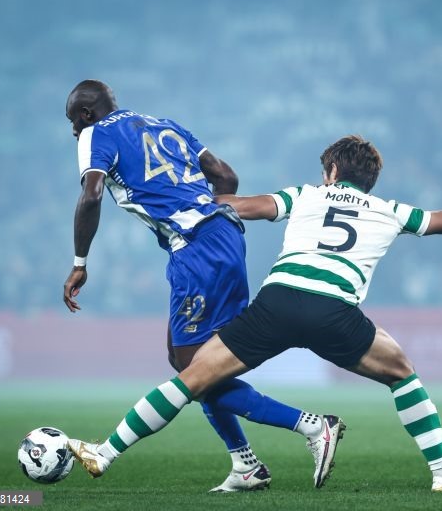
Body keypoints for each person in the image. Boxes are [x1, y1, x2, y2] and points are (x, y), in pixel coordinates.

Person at [67, 135, 442, 492]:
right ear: (371, 180)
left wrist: (180, 198)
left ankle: (105, 452)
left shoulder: (304, 195)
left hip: (278, 304)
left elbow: (237, 205)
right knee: (402, 373)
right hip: (335, 311)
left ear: (330, 173)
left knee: (191, 378)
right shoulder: (391, 210)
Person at [62, 80, 347, 491]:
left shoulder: (96, 134)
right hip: (224, 235)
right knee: (186, 363)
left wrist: (79, 264)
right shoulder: (164, 125)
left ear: (86, 114)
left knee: (194, 370)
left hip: (197, 249)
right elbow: (225, 175)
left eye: (73, 121)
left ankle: (312, 426)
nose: (74, 131)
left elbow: (91, 196)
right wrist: (205, 216)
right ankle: (245, 465)